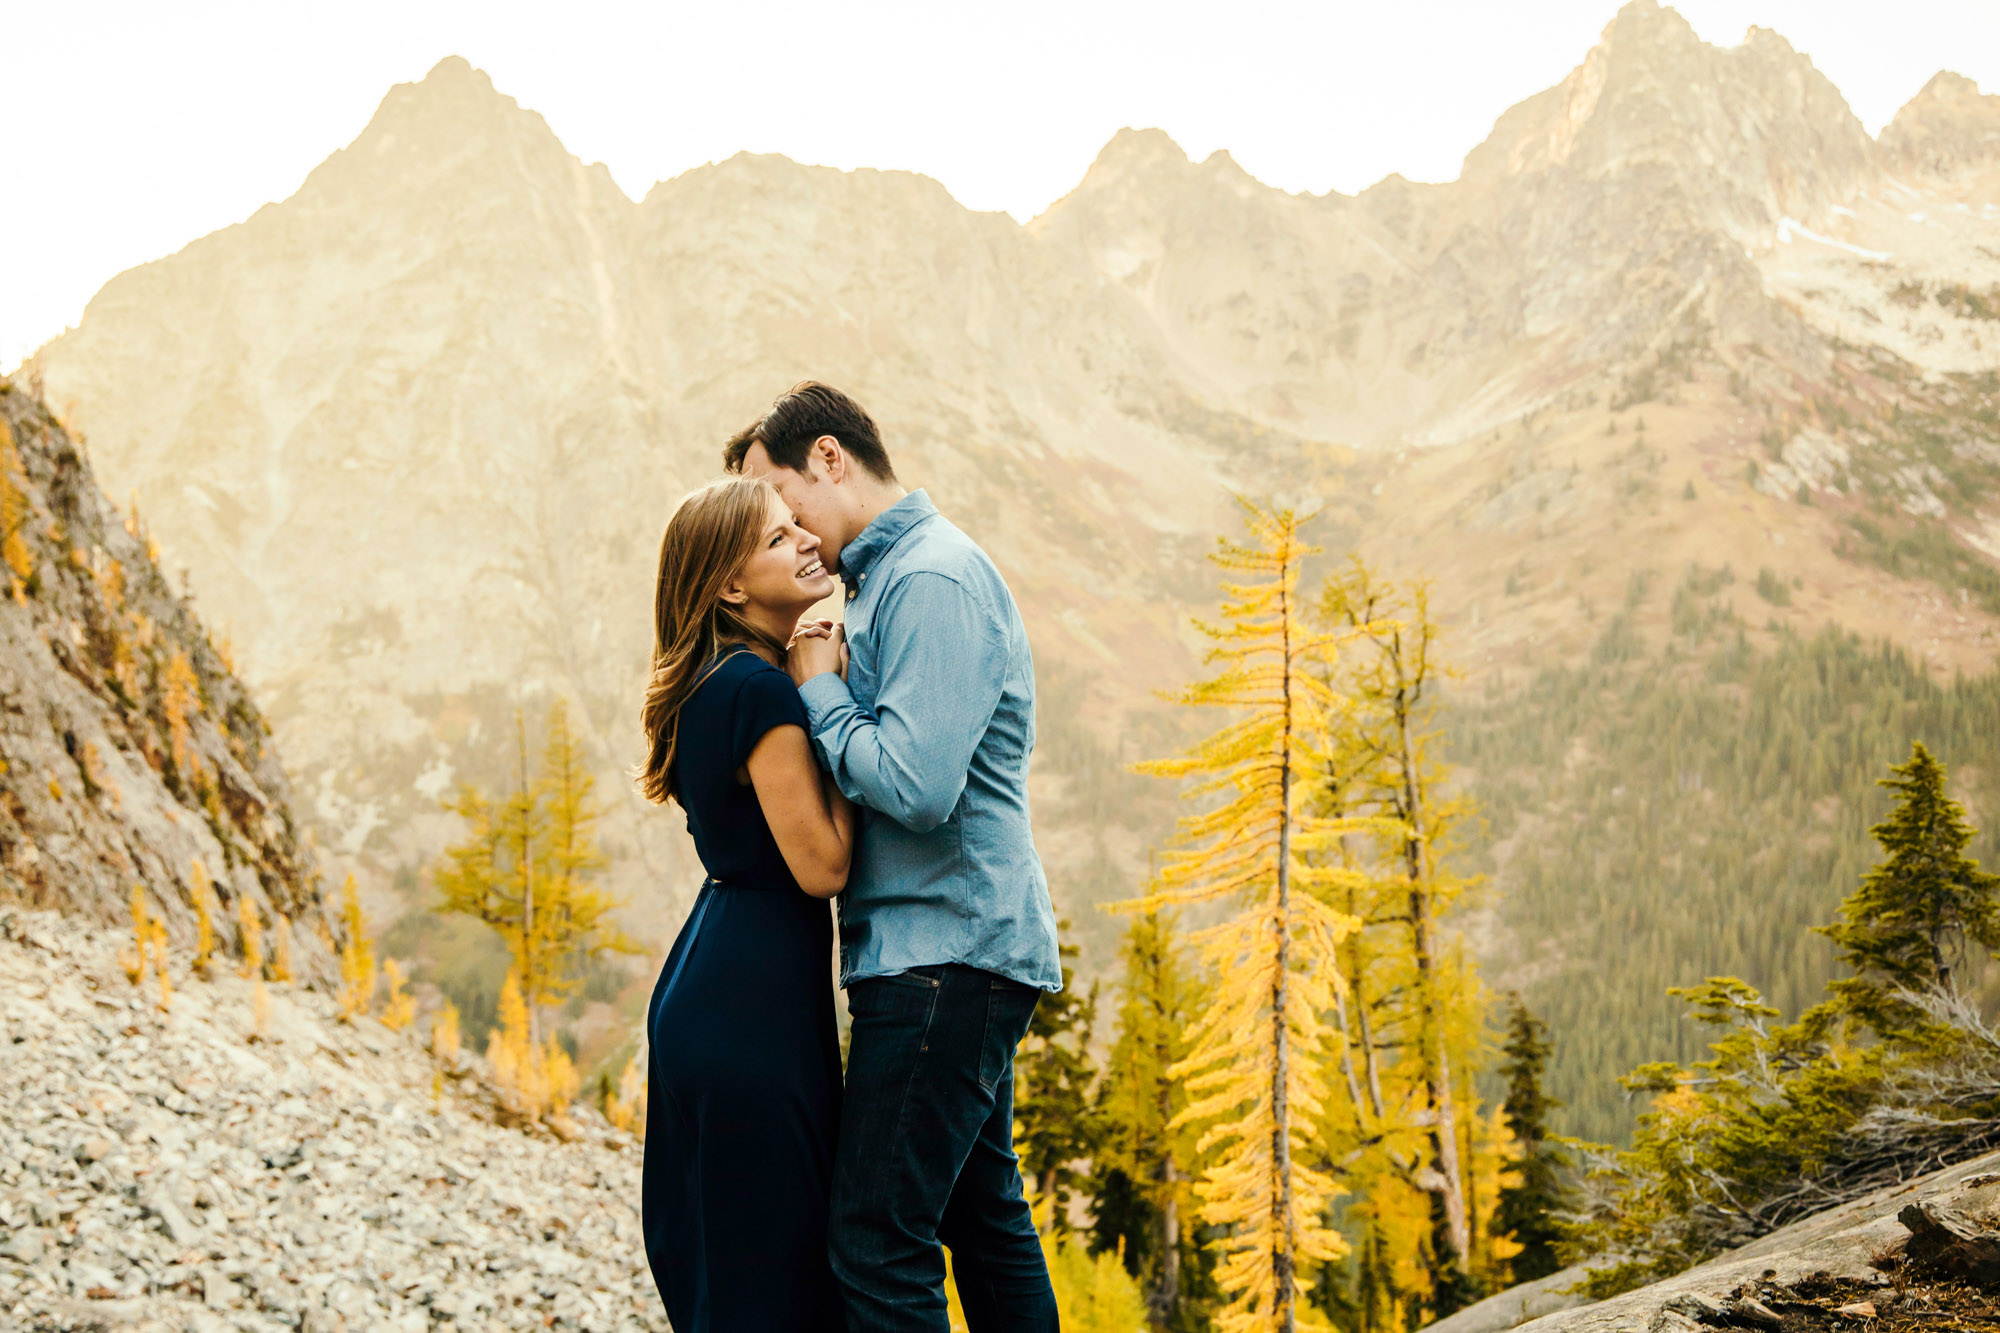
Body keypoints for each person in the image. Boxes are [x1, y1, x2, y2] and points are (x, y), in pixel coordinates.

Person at [726, 382, 1064, 1332]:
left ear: (829, 458)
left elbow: (917, 784)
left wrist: (821, 690)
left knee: (876, 1241)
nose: (786, 530)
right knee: (980, 1214)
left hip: (941, 954)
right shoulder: (887, 581)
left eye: (786, 504)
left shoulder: (930, 578)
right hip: (949, 950)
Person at [636, 475, 856, 1332]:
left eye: (798, 524)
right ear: (730, 585)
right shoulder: (763, 691)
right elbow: (825, 864)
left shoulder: (711, 683)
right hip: (752, 1005)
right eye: (776, 538)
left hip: (714, 973)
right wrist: (830, 691)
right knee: (776, 1272)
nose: (805, 540)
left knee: (727, 1268)